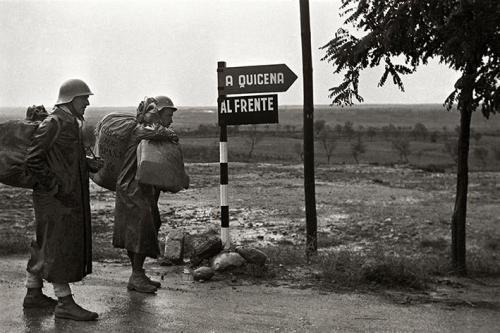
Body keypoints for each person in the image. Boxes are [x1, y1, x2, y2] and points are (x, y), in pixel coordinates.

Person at [24, 78, 103, 321]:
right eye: (84, 98)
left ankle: (33, 293)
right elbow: (33, 159)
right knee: (59, 245)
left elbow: (63, 157)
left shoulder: (69, 122)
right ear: (71, 99)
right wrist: (54, 186)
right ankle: (65, 302)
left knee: (46, 242)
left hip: (63, 196)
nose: (88, 102)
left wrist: (87, 164)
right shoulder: (55, 122)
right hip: (55, 198)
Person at [113, 95, 178, 293]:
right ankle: (136, 275)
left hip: (142, 187)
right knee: (138, 230)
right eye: (168, 114)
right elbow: (163, 132)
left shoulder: (148, 131)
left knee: (149, 226)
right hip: (131, 187)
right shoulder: (141, 130)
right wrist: (168, 132)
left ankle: (138, 273)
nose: (171, 120)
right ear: (156, 114)